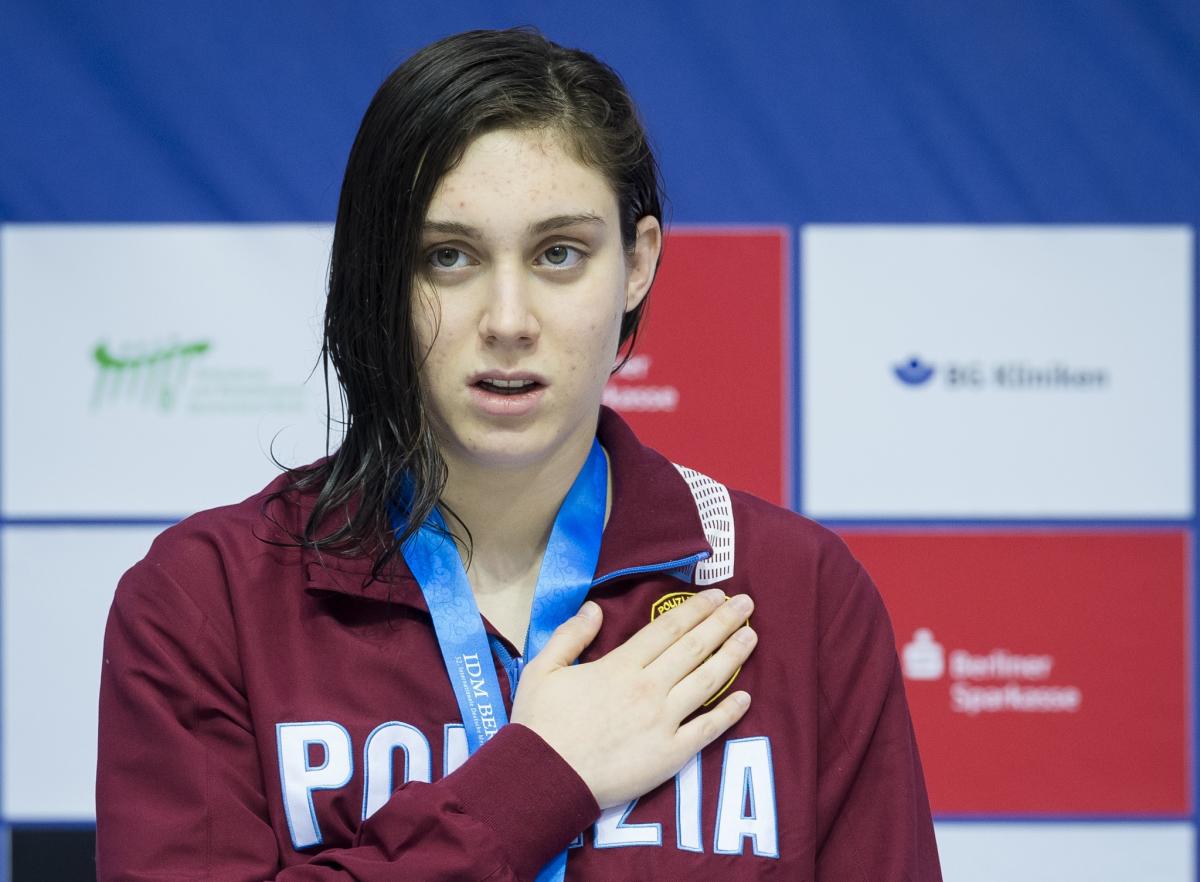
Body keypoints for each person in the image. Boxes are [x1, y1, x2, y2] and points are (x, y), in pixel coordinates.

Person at [96, 27, 941, 881]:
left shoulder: (796, 595)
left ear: (638, 262)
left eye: (559, 254)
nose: (507, 320)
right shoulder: (209, 601)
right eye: (449, 257)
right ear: (379, 273)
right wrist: (538, 780)